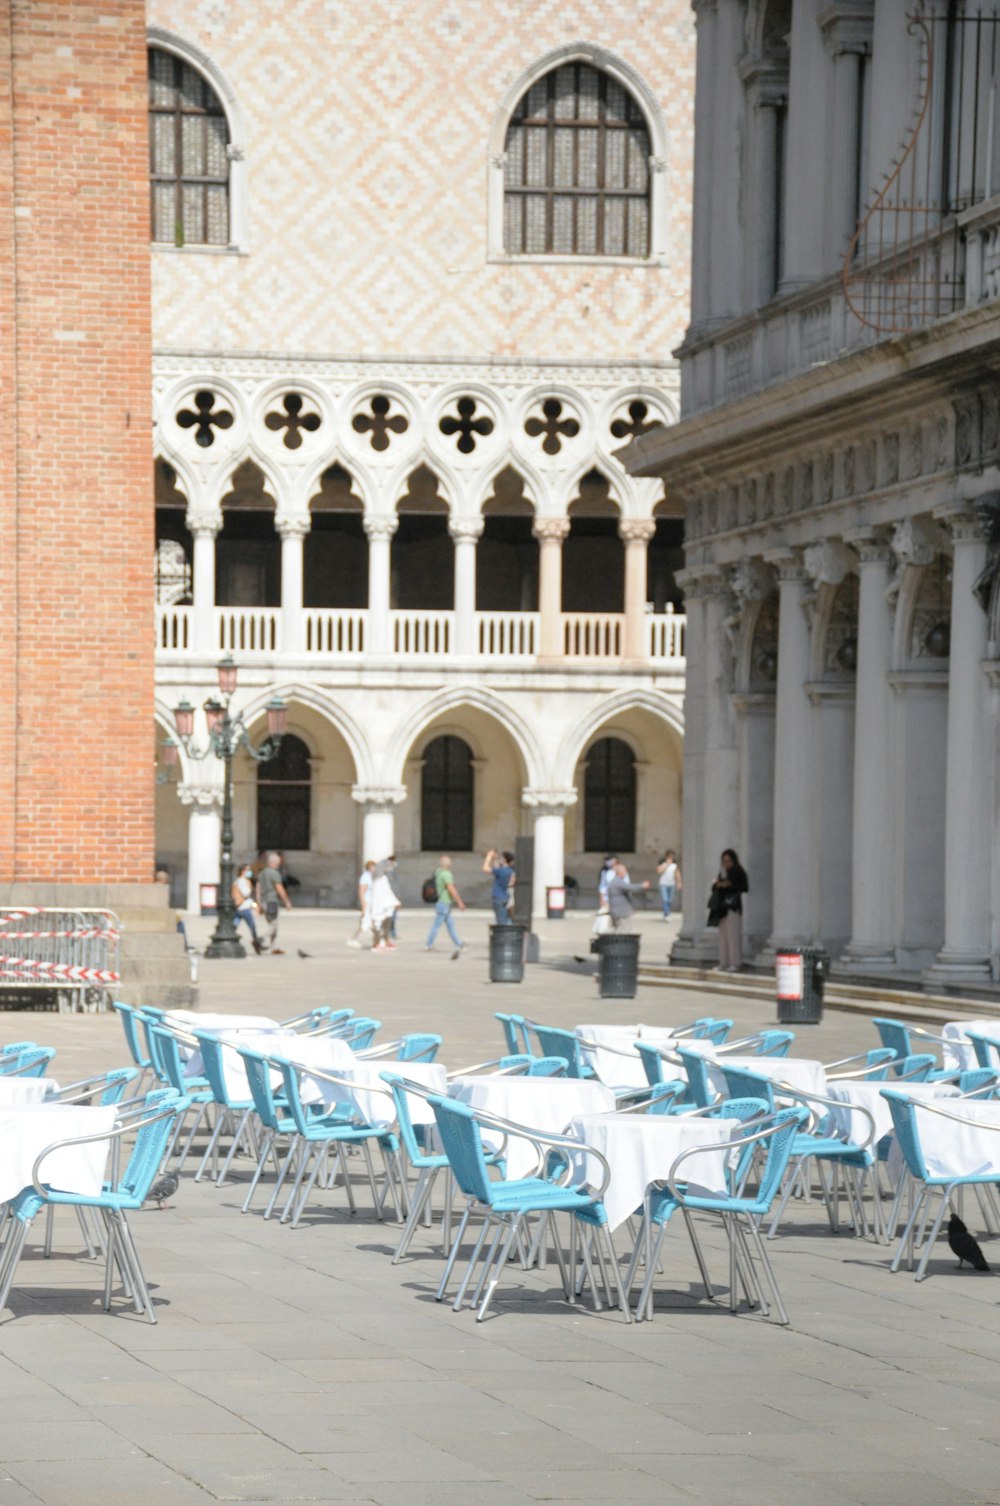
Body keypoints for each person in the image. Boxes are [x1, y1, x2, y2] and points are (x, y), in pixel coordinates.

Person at [710, 848, 749, 972]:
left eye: (728, 860)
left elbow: (743, 887)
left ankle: (735, 962)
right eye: (724, 861)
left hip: (733, 907)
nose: (726, 863)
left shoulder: (738, 871)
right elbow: (714, 887)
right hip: (722, 909)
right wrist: (719, 884)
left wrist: (729, 884)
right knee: (723, 936)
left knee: (733, 936)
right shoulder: (723, 872)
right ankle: (724, 962)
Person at [425, 854, 465, 956]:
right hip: (444, 902)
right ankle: (429, 944)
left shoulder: (438, 872)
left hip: (442, 902)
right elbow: (451, 888)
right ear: (449, 864)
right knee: (437, 924)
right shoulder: (447, 874)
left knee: (450, 924)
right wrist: (459, 901)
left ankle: (458, 943)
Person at [256, 851, 292, 954]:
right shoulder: (274, 873)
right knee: (274, 925)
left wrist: (258, 903)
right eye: (278, 863)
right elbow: (280, 889)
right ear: (275, 863)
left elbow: (258, 889)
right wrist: (287, 902)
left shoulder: (261, 873)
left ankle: (273, 947)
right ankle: (260, 940)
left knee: (273, 924)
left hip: (263, 901)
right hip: (271, 901)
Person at [606, 859, 649, 932]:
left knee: (618, 930)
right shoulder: (617, 882)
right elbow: (630, 888)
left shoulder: (616, 881)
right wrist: (642, 885)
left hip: (618, 912)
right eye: (625, 871)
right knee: (624, 931)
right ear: (620, 872)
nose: (626, 873)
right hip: (621, 912)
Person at [232, 863, 263, 954]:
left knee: (234, 926)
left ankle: (232, 939)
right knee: (252, 927)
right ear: (243, 871)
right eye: (248, 870)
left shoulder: (238, 880)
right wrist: (250, 885)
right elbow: (246, 894)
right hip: (244, 909)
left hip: (239, 907)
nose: (250, 872)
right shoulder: (242, 881)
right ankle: (256, 943)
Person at [370, 858, 401, 950]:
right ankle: (376, 943)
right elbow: (380, 894)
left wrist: (395, 902)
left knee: (386, 925)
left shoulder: (384, 878)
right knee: (377, 925)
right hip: (379, 906)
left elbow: (388, 892)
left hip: (386, 906)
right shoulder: (377, 880)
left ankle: (386, 941)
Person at [346, 860, 376, 948]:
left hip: (371, 903)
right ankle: (353, 939)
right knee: (365, 923)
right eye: (374, 867)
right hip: (367, 902)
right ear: (370, 868)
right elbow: (361, 892)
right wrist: (364, 905)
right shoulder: (365, 877)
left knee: (371, 922)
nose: (375, 869)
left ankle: (377, 941)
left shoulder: (371, 876)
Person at [482, 848, 515, 925]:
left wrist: (489, 856)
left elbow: (485, 868)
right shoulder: (510, 871)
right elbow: (496, 866)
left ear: (504, 859)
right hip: (506, 897)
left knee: (501, 922)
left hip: (498, 897)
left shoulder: (501, 871)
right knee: (507, 919)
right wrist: (494, 858)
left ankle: (506, 935)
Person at [656, 849, 682, 920]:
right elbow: (659, 871)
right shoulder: (662, 862)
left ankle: (667, 912)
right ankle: (666, 914)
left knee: (670, 900)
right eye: (669, 856)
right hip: (663, 884)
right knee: (665, 900)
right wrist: (666, 864)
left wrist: (679, 882)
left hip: (672, 884)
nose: (671, 857)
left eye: (672, 856)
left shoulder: (675, 864)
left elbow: (677, 873)